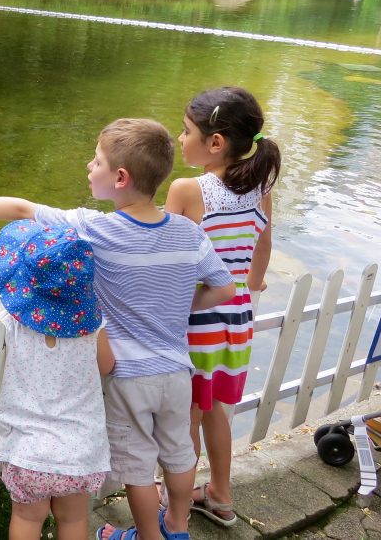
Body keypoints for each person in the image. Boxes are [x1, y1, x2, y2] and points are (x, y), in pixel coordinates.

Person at [0, 117, 236, 540]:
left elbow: (22, 209)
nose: (89, 168)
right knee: (180, 455)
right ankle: (178, 527)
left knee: (139, 468)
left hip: (129, 376)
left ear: (120, 177)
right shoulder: (188, 233)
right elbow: (225, 288)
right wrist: (182, 305)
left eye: (96, 162)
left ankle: (148, 536)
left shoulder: (95, 229)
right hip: (176, 370)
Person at [164, 86, 281, 527]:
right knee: (215, 412)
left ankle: (177, 502)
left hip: (198, 318)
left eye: (186, 130)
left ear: (215, 142)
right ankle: (221, 494)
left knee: (187, 418)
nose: (179, 138)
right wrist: (253, 283)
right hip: (236, 320)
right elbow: (263, 245)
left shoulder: (188, 189)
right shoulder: (260, 187)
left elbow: (170, 260)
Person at [0, 220, 114, 540]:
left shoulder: (9, 325)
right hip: (80, 451)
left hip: (27, 453)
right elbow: (108, 366)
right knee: (72, 521)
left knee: (28, 519)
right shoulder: (91, 330)